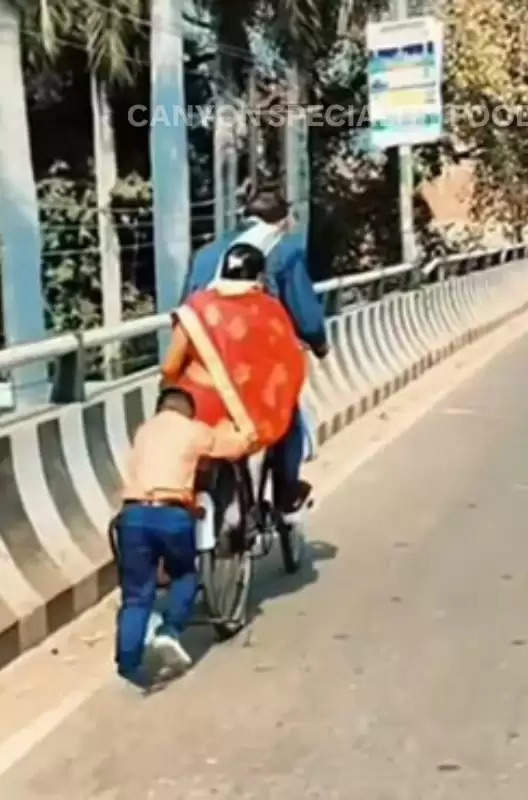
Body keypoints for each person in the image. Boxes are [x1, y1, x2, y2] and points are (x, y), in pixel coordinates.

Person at [183, 186, 328, 513]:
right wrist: (319, 343)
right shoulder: (284, 250)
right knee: (285, 417)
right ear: (282, 220)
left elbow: (185, 309)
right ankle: (286, 492)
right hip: (257, 369)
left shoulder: (207, 253)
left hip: (206, 363)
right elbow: (305, 315)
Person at [115, 387, 255, 688]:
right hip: (171, 515)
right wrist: (241, 430)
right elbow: (233, 447)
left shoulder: (143, 432)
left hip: (133, 516)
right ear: (189, 411)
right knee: (184, 575)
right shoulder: (193, 431)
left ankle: (129, 665)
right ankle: (171, 630)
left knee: (136, 595)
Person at [162, 242, 308, 458]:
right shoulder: (271, 310)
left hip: (198, 409)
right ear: (260, 277)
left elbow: (169, 366)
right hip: (251, 416)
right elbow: (290, 363)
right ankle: (284, 485)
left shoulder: (196, 307)